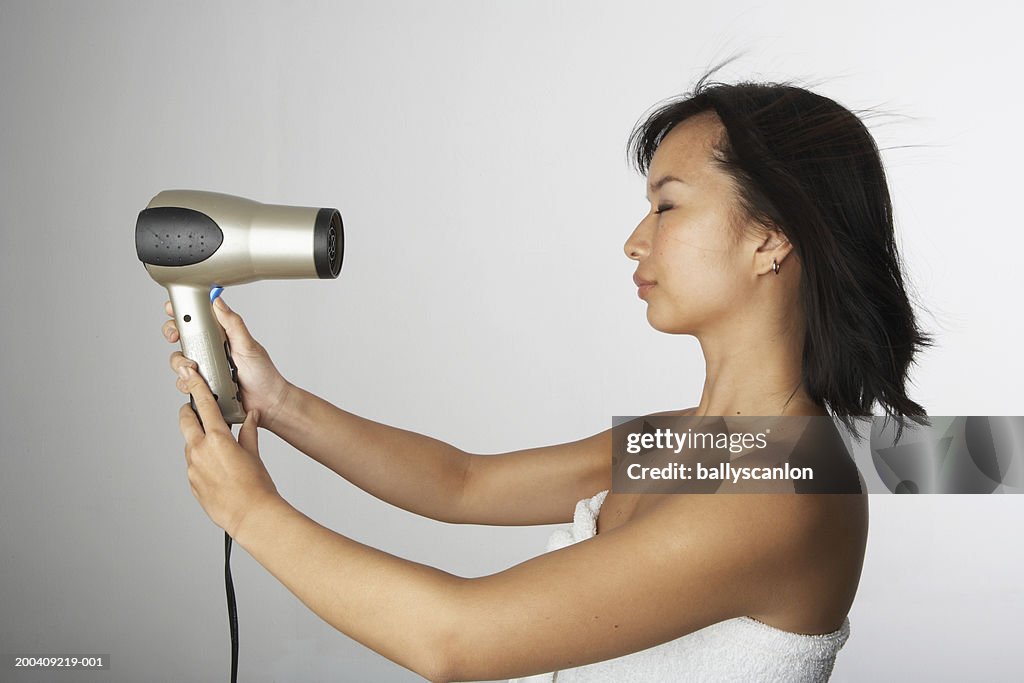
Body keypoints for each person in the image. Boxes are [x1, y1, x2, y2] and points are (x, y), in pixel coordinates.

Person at [162, 70, 930, 682]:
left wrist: (252, 512)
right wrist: (281, 402)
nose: (635, 240)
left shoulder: (788, 493)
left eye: (666, 206)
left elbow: (453, 640)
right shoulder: (686, 442)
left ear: (770, 238)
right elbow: (459, 483)